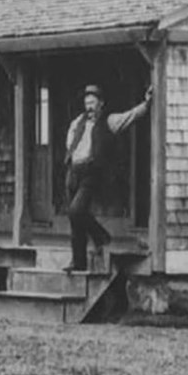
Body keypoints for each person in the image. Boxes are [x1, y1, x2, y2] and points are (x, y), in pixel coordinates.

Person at [64, 83, 152, 271]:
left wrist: (146, 104)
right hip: (73, 171)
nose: (89, 107)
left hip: (91, 172)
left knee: (76, 211)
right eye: (87, 103)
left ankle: (101, 236)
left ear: (101, 104)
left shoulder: (109, 121)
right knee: (75, 219)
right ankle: (78, 262)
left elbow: (129, 117)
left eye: (93, 103)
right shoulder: (77, 122)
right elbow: (69, 142)